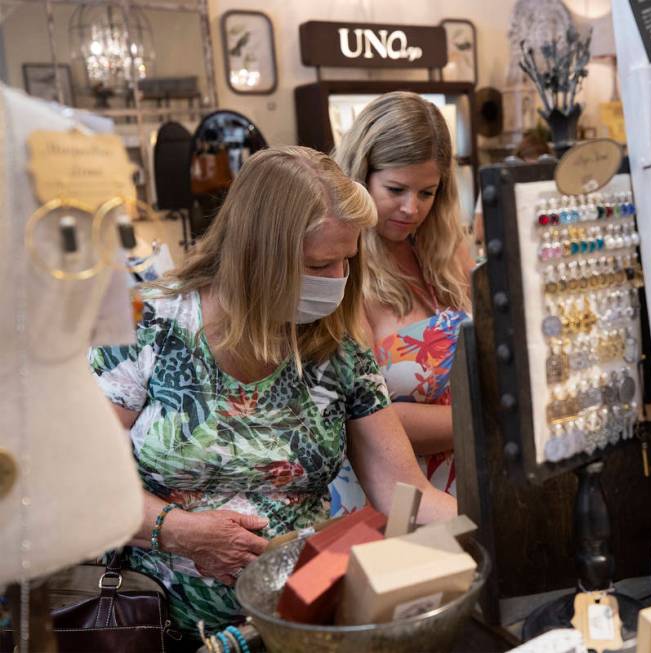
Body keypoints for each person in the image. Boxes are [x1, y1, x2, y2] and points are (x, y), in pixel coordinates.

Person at [88, 146, 455, 637]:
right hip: (157, 627)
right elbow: (81, 483)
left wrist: (494, 522)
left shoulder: (337, 350)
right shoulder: (148, 327)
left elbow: (407, 495)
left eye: (346, 262)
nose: (337, 283)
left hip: (296, 625)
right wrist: (178, 531)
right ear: (255, 254)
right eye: (319, 265)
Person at [333, 92, 473, 502]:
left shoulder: (446, 254)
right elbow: (363, 418)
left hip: (461, 480)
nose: (411, 209)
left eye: (427, 193)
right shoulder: (342, 267)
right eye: (396, 189)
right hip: (387, 496)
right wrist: (481, 416)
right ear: (361, 176)